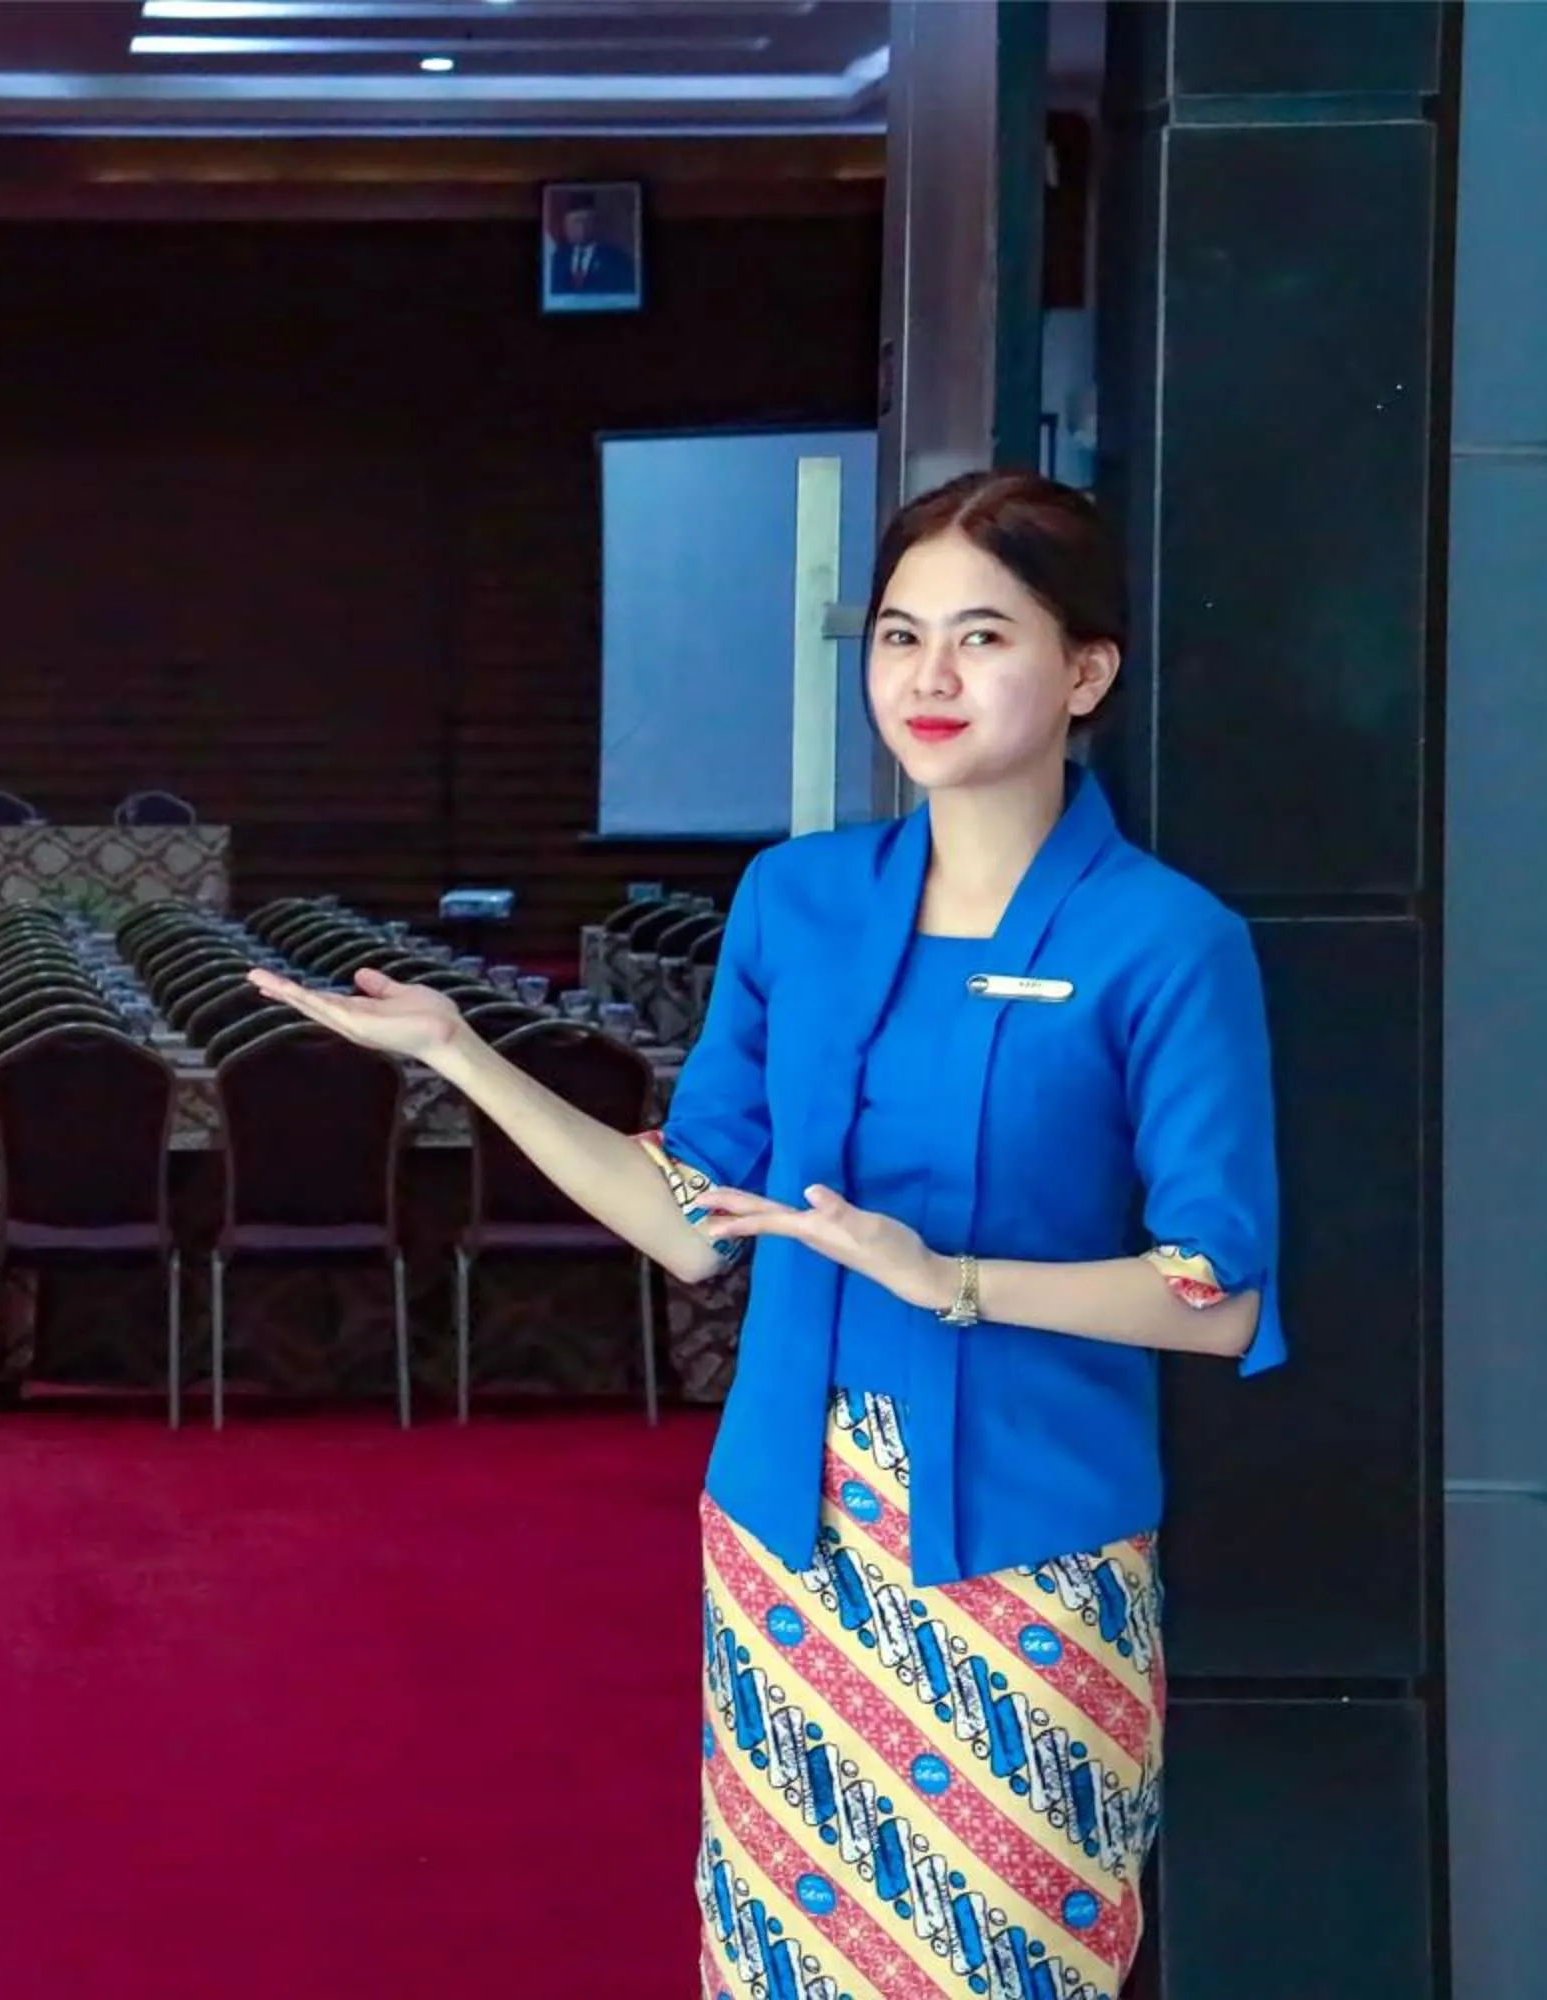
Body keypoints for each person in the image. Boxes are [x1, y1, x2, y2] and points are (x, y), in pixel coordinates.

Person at [249, 470, 1284, 1999]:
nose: (927, 679)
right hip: (788, 1537)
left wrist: (954, 1283)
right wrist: (462, 1054)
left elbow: (1215, 1301)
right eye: (897, 636)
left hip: (1027, 1553)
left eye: (982, 637)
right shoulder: (794, 901)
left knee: (1008, 1963)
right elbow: (690, 1221)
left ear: (1085, 670)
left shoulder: (1169, 940)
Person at [546, 196, 637, 300]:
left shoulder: (618, 259)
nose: (582, 228)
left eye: (587, 221)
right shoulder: (556, 258)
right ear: (566, 226)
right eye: (576, 222)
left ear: (596, 224)